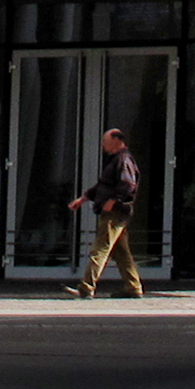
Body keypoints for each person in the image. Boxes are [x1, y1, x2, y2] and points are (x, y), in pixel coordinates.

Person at [64, 127, 143, 298]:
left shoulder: (123, 160)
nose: (103, 146)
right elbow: (102, 186)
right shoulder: (117, 160)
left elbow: (128, 185)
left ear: (116, 141)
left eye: (105, 142)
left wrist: (113, 201)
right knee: (121, 253)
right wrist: (83, 199)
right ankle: (133, 286)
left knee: (100, 248)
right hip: (116, 211)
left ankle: (86, 287)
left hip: (114, 212)